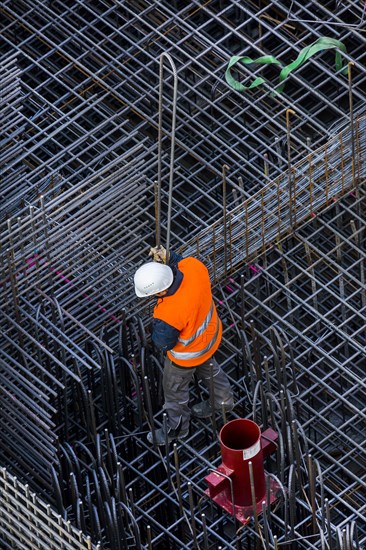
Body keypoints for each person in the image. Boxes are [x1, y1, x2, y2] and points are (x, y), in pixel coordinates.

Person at [134, 246, 234, 445]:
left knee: (174, 392)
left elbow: (164, 343)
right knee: (211, 370)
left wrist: (154, 328)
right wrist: (168, 256)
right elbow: (180, 262)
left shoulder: (168, 313)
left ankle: (176, 430)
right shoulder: (194, 267)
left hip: (186, 357)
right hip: (211, 336)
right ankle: (223, 402)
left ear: (161, 290)